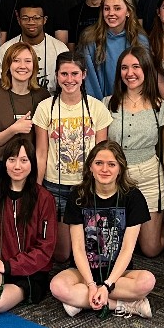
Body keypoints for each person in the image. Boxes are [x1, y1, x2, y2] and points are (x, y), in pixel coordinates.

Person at [49, 141, 155, 319]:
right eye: (99, 163)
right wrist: (91, 284)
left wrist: (107, 285)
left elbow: (127, 248)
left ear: (120, 168)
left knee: (147, 282)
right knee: (57, 286)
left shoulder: (133, 197)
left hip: (119, 275)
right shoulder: (78, 195)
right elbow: (78, 248)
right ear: (90, 166)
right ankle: (122, 305)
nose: (104, 169)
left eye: (111, 164)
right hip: (83, 273)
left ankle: (81, 301)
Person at [32, 52, 112, 265]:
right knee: (61, 254)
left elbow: (101, 154)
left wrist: (100, 186)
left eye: (75, 73)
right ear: (56, 76)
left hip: (86, 186)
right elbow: (41, 152)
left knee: (90, 253)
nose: (69, 79)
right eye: (64, 74)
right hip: (55, 186)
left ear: (84, 75)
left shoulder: (97, 108)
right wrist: (37, 189)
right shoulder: (45, 107)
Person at [0, 138, 58, 313]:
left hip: (30, 272)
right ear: (5, 162)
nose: (17, 166)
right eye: (12, 159)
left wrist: (9, 266)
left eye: (24, 160)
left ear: (32, 163)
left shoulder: (45, 199)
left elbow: (46, 248)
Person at [104, 45, 164, 257]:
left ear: (146, 69)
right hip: (117, 178)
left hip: (149, 176)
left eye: (136, 67)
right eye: (124, 68)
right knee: (117, 249)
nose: (129, 73)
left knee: (150, 249)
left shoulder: (161, 106)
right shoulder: (107, 104)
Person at [0, 42, 50, 180]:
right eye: (16, 61)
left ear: (34, 66)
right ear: (8, 65)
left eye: (28, 61)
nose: (22, 66)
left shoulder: (43, 96)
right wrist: (13, 129)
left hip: (32, 166)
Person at [80, 0, 150, 100]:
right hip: (100, 104)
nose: (111, 13)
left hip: (135, 103)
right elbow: (90, 81)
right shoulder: (90, 39)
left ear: (128, 12)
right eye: (107, 9)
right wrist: (100, 107)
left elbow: (146, 77)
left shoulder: (140, 40)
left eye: (117, 8)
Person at [0, 0, 68, 92]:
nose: (31, 22)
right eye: (25, 18)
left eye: (36, 18)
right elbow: (2, 88)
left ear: (44, 20)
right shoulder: (5, 49)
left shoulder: (60, 50)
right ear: (18, 20)